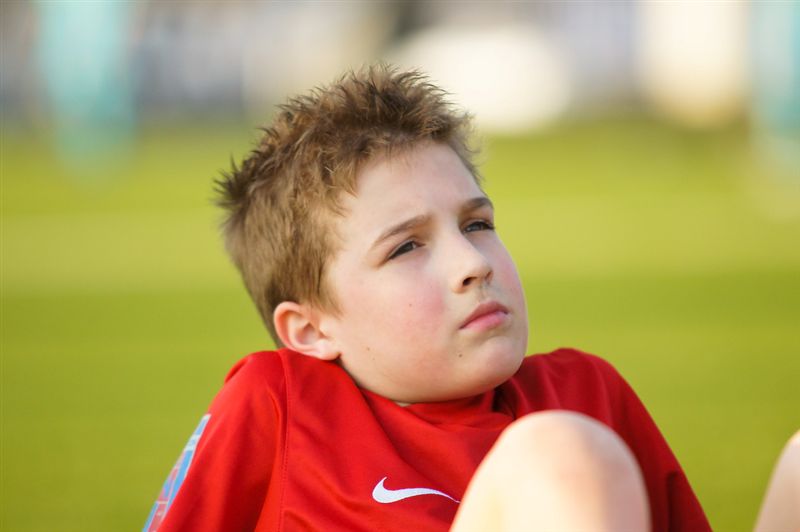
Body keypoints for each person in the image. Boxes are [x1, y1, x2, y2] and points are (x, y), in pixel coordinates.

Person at [144, 65, 710, 531]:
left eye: (477, 225)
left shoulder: (587, 395)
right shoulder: (280, 404)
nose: (473, 264)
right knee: (559, 455)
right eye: (406, 247)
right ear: (312, 330)